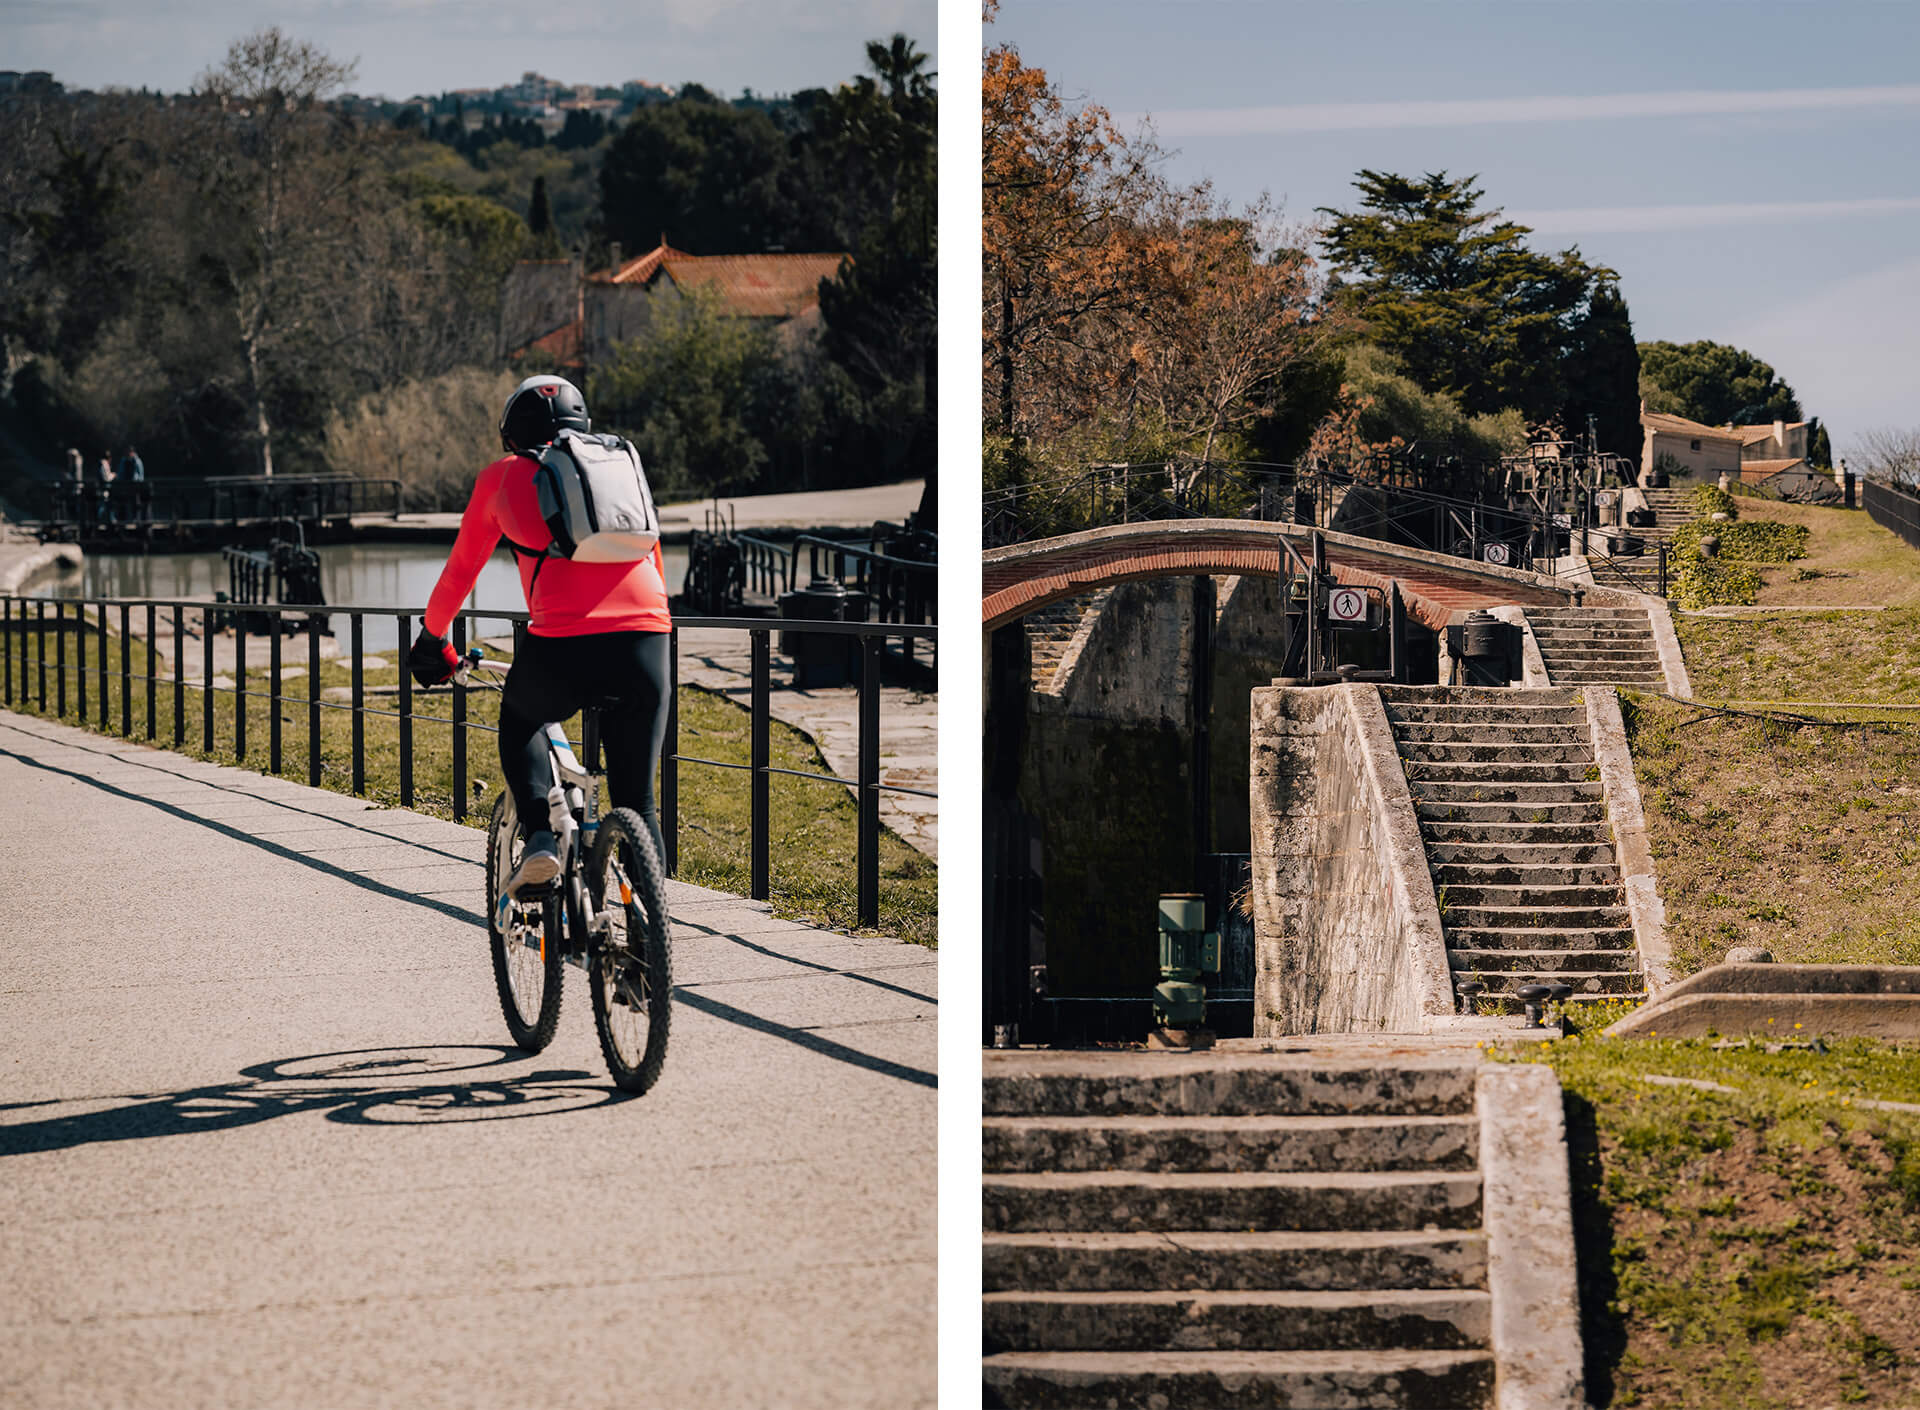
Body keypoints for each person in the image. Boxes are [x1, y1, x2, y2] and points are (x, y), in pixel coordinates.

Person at [407, 375, 670, 898]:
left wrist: (432, 641)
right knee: (637, 802)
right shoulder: (619, 468)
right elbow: (655, 563)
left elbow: (461, 572)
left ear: (511, 436)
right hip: (648, 637)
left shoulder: (505, 476)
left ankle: (541, 839)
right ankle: (648, 950)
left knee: (521, 718)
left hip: (564, 644)